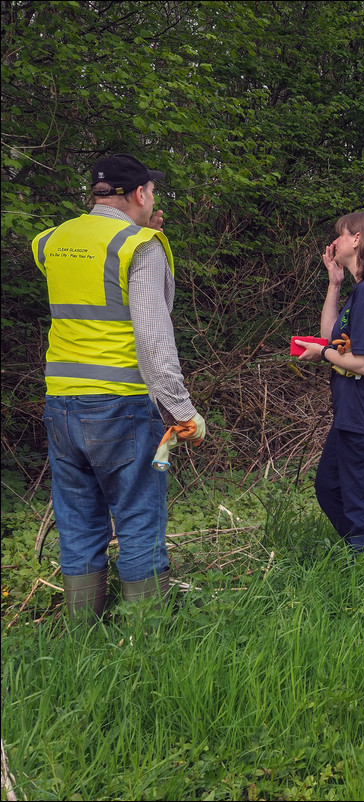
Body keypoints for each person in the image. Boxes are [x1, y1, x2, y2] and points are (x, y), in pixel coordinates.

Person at [32, 153, 206, 618]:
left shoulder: (51, 241)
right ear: (140, 194)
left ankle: (83, 636)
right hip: (121, 405)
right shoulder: (139, 245)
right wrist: (180, 410)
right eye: (152, 192)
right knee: (138, 520)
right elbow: (152, 335)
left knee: (78, 523)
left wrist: (146, 234)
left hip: (61, 405)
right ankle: (145, 643)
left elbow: (91, 289)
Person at [296, 211, 364, 555]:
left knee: (362, 499)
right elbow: (332, 335)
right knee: (330, 487)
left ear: (357, 239)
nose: (335, 242)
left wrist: (323, 353)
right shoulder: (363, 291)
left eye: (340, 235)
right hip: (353, 413)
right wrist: (333, 283)